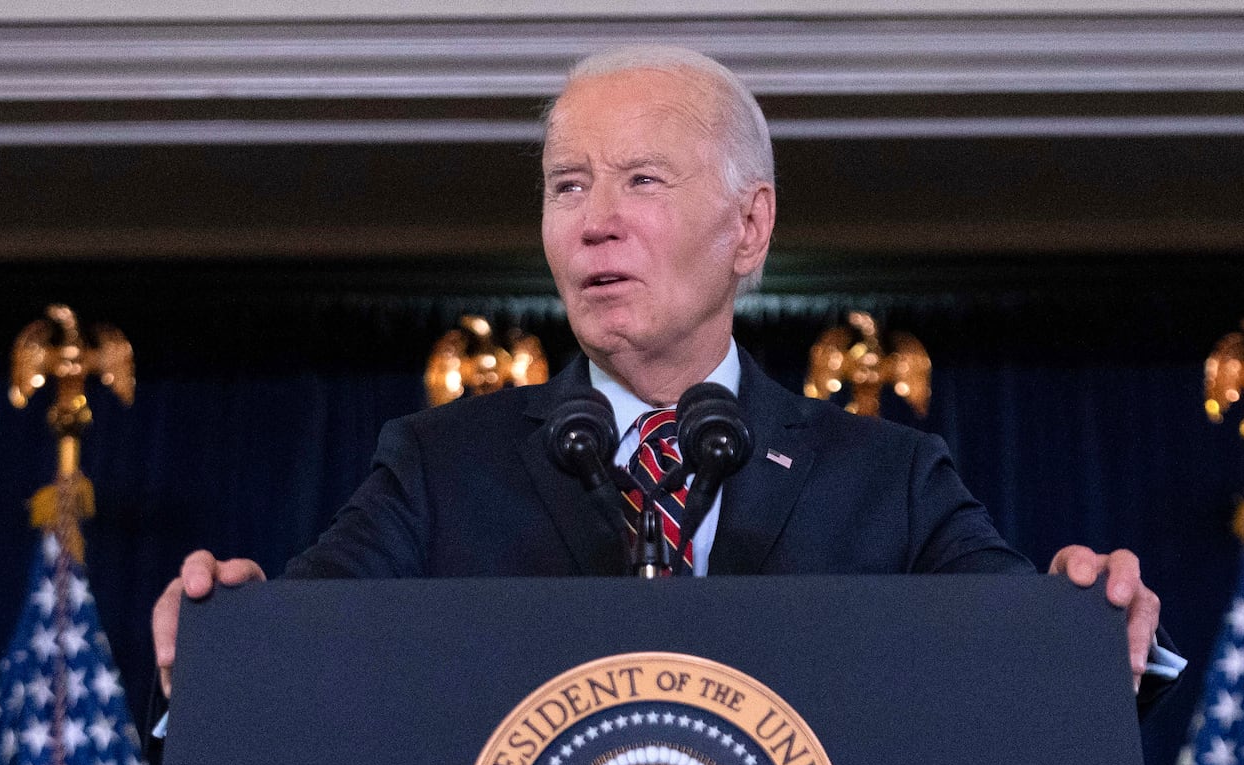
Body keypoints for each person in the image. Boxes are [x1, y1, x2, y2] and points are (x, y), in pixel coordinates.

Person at [152, 46, 1176, 703]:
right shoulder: (436, 467)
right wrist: (239, 630)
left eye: (643, 179)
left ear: (750, 225)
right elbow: (301, 651)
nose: (596, 217)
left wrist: (1087, 619)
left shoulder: (889, 481)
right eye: (568, 185)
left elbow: (1024, 654)